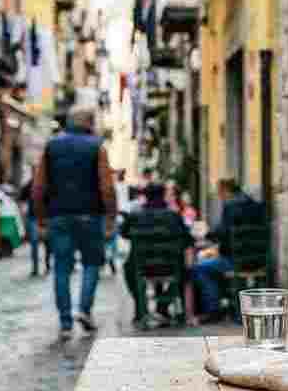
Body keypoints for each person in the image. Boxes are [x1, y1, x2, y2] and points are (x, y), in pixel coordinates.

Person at [33, 100, 117, 340]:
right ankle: (85, 310)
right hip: (90, 215)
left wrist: (40, 218)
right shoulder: (96, 146)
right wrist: (110, 216)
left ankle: (65, 322)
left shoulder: (51, 146)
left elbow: (39, 186)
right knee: (91, 263)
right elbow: (106, 186)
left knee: (62, 267)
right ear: (89, 123)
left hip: (58, 216)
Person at [188, 178, 264, 322]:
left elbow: (222, 234)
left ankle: (213, 310)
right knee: (212, 263)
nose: (219, 196)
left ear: (225, 191)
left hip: (235, 261)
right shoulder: (256, 205)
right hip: (258, 259)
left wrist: (205, 234)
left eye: (219, 193)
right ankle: (229, 304)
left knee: (200, 268)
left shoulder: (231, 206)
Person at [121, 182, 192, 329]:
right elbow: (187, 240)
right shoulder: (174, 216)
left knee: (128, 269)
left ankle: (140, 309)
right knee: (184, 271)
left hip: (140, 268)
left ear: (145, 196)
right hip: (171, 267)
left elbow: (124, 233)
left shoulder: (135, 215)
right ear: (164, 195)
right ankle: (163, 307)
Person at [18, 170, 50, 276]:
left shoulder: (48, 183)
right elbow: (21, 197)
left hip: (45, 217)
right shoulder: (30, 183)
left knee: (47, 242)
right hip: (33, 217)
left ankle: (47, 264)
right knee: (35, 242)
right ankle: (35, 267)